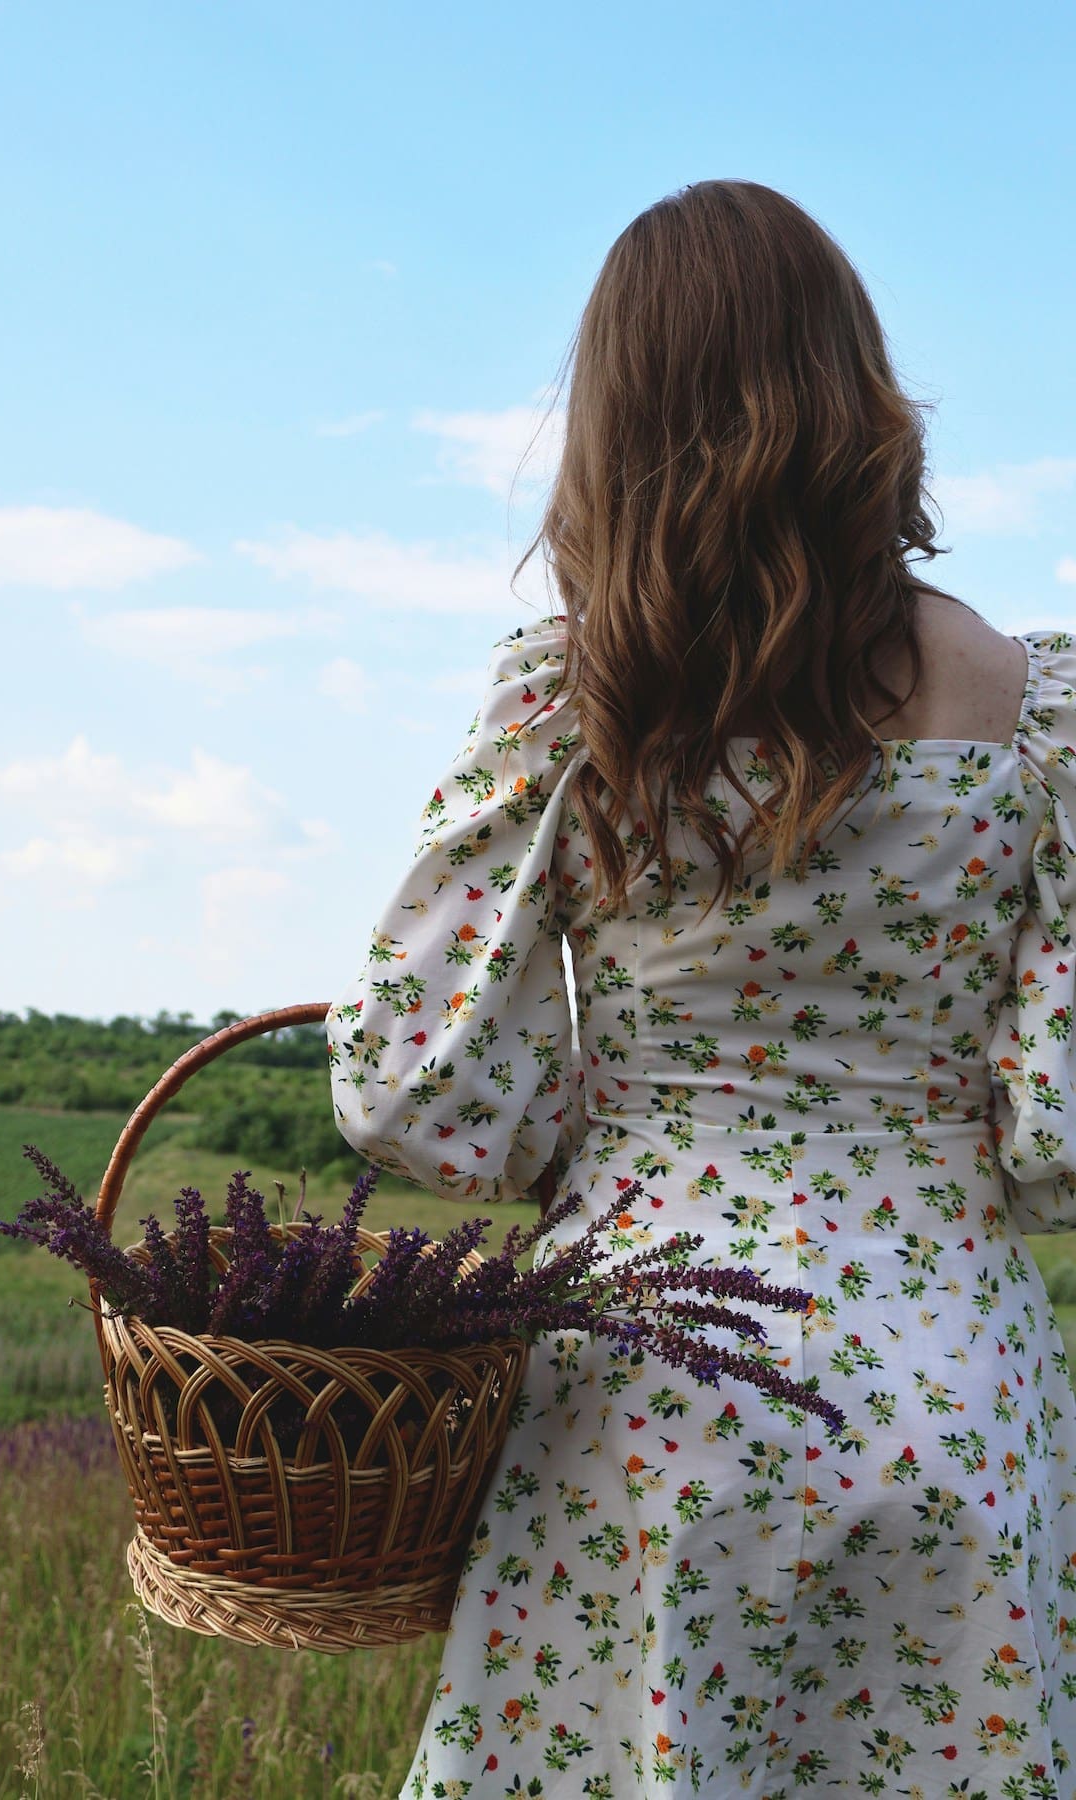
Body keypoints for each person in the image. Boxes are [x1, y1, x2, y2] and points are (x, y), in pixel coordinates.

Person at [325, 179, 1076, 1799]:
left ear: (617, 417)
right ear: (856, 390)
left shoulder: (574, 700)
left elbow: (415, 1089)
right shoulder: (1033, 712)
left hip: (642, 1387)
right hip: (953, 1389)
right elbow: (1060, 1136)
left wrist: (614, 1136)